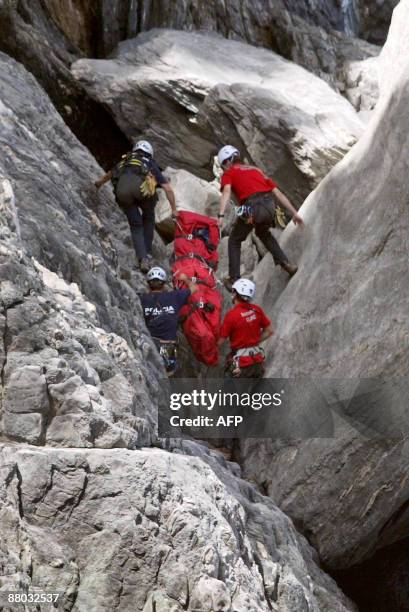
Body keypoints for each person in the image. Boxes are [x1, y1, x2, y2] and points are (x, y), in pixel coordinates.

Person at [217, 145, 304, 291]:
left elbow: (226, 191)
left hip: (252, 207)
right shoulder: (255, 170)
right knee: (263, 233)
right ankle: (286, 263)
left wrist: (220, 215)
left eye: (223, 166)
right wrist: (294, 212)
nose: (223, 169)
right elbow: (278, 193)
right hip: (270, 206)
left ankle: (234, 279)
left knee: (234, 239)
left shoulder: (229, 173)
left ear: (227, 162)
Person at [95, 140, 178, 273]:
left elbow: (108, 175)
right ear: (149, 153)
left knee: (136, 225)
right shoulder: (148, 162)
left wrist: (98, 184)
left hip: (122, 193)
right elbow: (167, 189)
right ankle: (146, 255)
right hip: (141, 192)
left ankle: (142, 257)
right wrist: (174, 209)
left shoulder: (125, 161)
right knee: (149, 218)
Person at [140, 266, 198, 376]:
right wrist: (185, 279)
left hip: (152, 348)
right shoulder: (175, 296)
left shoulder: (142, 299)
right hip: (170, 350)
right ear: (164, 284)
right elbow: (194, 288)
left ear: (148, 284)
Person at [218, 278, 273, 378]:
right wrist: (254, 342)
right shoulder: (257, 310)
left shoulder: (231, 316)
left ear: (235, 294)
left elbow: (220, 341)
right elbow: (269, 331)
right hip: (257, 363)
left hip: (242, 365)